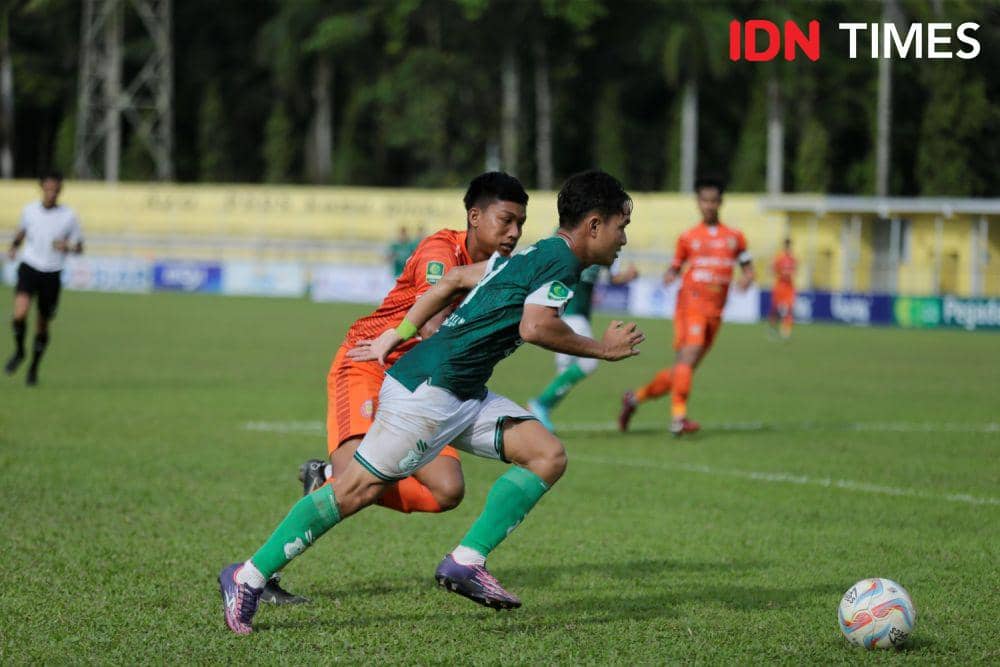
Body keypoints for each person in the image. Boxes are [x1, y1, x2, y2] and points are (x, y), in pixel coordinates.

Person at [218, 170, 643, 635]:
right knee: (354, 490)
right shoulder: (556, 262)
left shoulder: (537, 254)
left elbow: (454, 280)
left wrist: (394, 337)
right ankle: (246, 577)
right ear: (595, 225)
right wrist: (603, 349)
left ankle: (466, 562)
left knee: (546, 454)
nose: (623, 240)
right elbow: (534, 327)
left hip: (461, 392)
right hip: (430, 392)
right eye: (621, 228)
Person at [262, 173, 528, 605]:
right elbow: (431, 325)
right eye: (506, 219)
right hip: (370, 363)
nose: (514, 232)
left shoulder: (498, 269)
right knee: (353, 485)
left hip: (421, 383)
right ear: (474, 217)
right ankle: (258, 575)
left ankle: (323, 478)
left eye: (521, 222)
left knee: (446, 491)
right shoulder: (440, 252)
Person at [618, 176, 753, 436]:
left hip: (716, 311)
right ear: (698, 202)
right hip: (690, 305)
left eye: (714, 201)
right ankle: (678, 419)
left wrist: (747, 278)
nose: (709, 206)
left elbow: (747, 267)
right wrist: (670, 274)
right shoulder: (689, 237)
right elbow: (676, 265)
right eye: (704, 200)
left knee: (684, 369)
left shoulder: (735, 238)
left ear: (721, 202)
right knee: (687, 359)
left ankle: (634, 398)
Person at [526, 261, 638, 431]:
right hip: (570, 314)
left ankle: (539, 412)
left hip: (576, 316)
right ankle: (539, 405)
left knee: (564, 372)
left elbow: (611, 277)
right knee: (588, 363)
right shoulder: (569, 241)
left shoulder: (601, 251)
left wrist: (627, 276)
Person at [5, 171, 83, 386]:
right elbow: (21, 232)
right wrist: (13, 247)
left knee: (42, 324)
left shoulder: (69, 216)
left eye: (55, 189)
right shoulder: (29, 210)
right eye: (48, 189)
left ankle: (33, 368)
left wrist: (66, 246)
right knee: (19, 313)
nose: (51, 193)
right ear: (42, 188)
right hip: (29, 266)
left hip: (52, 271)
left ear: (60, 190)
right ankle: (20, 351)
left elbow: (79, 247)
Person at [768, 237, 796, 340]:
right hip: (779, 287)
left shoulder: (793, 259)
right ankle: (772, 328)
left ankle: (785, 332)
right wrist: (780, 274)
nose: (788, 247)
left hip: (789, 287)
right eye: (787, 245)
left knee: (789, 309)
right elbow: (772, 270)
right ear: (784, 246)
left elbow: (794, 270)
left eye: (789, 245)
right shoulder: (779, 258)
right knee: (775, 310)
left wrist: (788, 274)